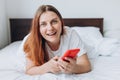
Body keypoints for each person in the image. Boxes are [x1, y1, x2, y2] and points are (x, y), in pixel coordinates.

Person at [20, 5, 91, 75]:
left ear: (61, 23)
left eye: (54, 21)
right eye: (43, 24)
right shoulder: (31, 40)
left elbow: (86, 66)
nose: (50, 28)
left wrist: (74, 68)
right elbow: (29, 70)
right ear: (38, 28)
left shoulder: (71, 34)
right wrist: (47, 67)